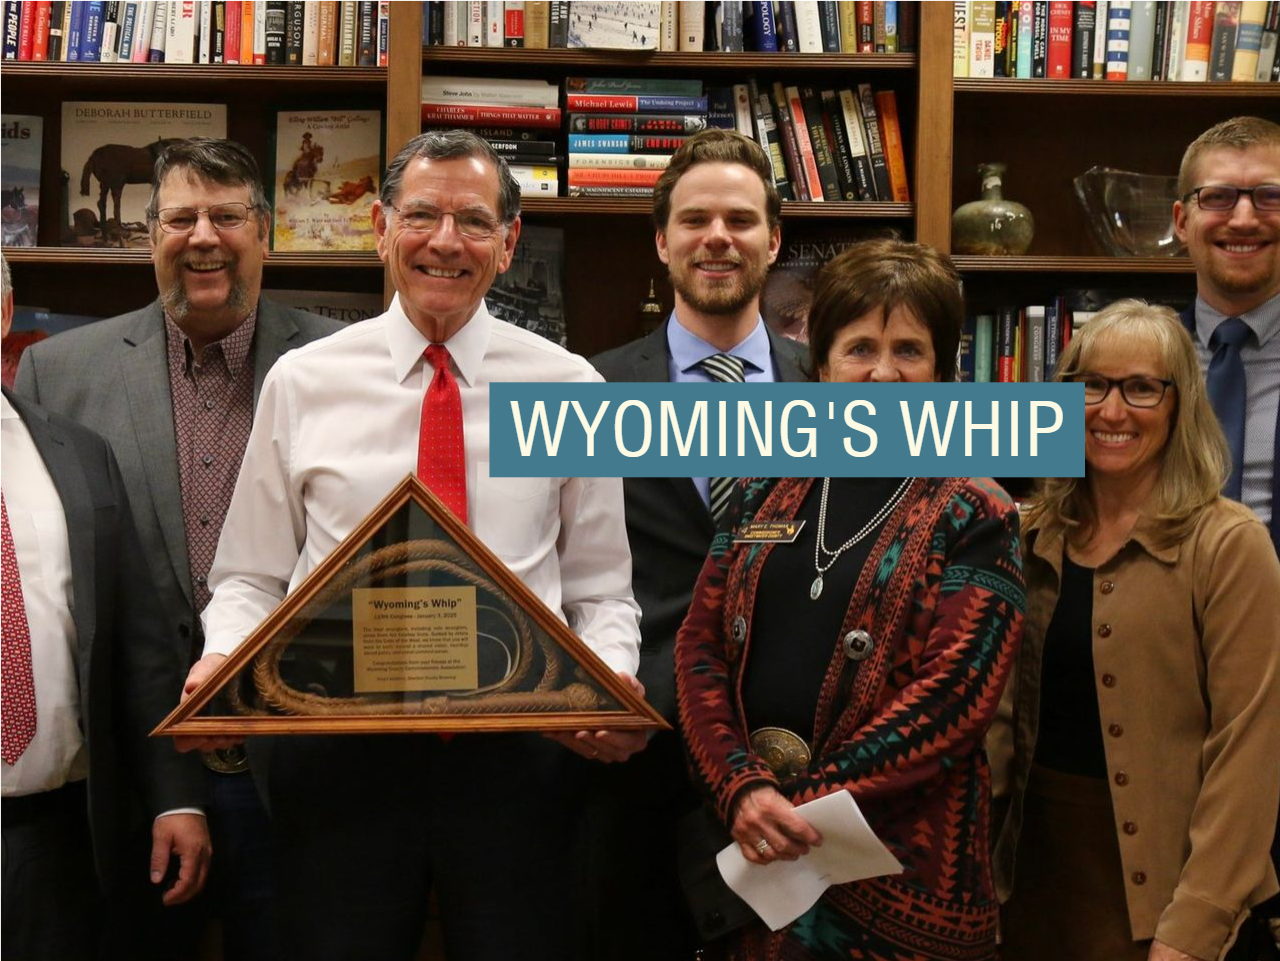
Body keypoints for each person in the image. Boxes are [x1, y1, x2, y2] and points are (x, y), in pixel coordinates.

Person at [178, 128, 644, 961]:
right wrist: (223, 657)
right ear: (382, 229)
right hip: (338, 762)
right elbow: (248, 575)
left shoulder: (570, 388)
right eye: (422, 215)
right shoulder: (305, 382)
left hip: (520, 763)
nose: (444, 241)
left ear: (508, 243)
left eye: (472, 220)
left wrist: (607, 680)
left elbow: (602, 591)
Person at [14, 137, 342, 961]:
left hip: (306, 776)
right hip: (133, 782)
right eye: (180, 216)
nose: (203, 235)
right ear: (149, 234)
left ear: (264, 232)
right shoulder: (58, 373)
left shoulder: (343, 362)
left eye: (227, 215)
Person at [674, 238, 1025, 961]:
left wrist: (795, 807)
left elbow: (955, 700)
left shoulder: (979, 510)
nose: (883, 373)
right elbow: (699, 648)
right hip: (755, 863)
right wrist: (740, 787)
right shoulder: (759, 485)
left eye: (909, 350)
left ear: (942, 369)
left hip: (899, 881)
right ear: (823, 363)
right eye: (860, 347)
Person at [993, 299, 1280, 961]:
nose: (1111, 411)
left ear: (1180, 404)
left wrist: (1193, 930)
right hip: (1033, 894)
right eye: (1090, 384)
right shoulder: (1028, 535)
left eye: (1141, 387)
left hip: (1168, 905)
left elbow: (1249, 753)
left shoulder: (1230, 545)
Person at [588, 128, 807, 960]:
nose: (718, 237)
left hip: (793, 756)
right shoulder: (590, 387)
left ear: (773, 240)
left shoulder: (831, 385)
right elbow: (557, 568)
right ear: (661, 240)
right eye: (696, 220)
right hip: (636, 756)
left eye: (741, 220)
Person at [0, 250, 208, 960]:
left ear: (3, 314)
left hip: (60, 835)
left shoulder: (77, 452)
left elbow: (140, 644)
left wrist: (175, 796)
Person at [1171, 114, 1280, 939]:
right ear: (1182, 219)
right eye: (1220, 197)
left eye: (1269, 194)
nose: (1244, 217)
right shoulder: (1123, 354)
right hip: (1157, 704)